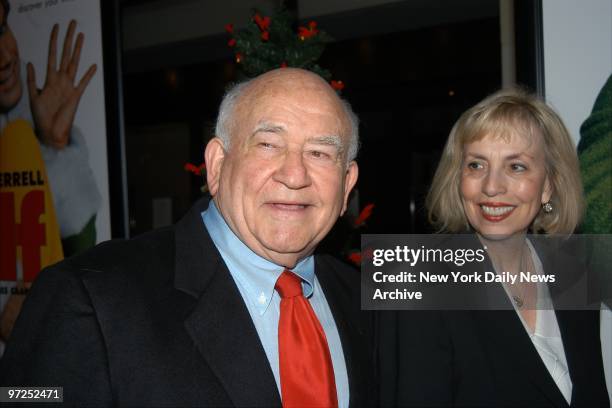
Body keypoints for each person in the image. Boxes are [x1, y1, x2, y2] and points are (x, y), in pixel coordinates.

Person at [0, 68, 374, 407]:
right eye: (268, 144)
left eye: (320, 153)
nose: (295, 175)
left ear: (347, 185)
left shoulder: (367, 302)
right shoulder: (86, 297)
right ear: (216, 165)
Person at [379, 88, 609, 406]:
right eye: (476, 165)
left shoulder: (573, 270)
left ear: (549, 186)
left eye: (516, 167)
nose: (491, 186)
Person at [0, 0, 100, 352]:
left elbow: (84, 246)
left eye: (1, 29)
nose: (3, 57)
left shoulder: (40, 123)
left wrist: (55, 146)